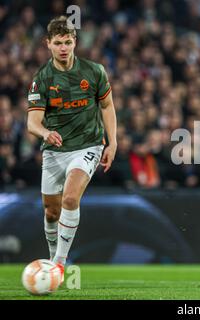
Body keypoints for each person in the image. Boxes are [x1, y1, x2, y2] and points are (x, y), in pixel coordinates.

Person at [27, 16, 117, 281]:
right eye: (58, 43)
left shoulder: (94, 71)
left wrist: (113, 142)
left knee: (69, 199)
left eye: (68, 42)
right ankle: (53, 257)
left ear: (75, 42)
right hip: (55, 150)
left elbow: (107, 106)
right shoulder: (42, 78)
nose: (64, 47)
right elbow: (32, 122)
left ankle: (59, 264)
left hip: (87, 145)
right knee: (51, 211)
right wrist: (46, 132)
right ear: (48, 44)